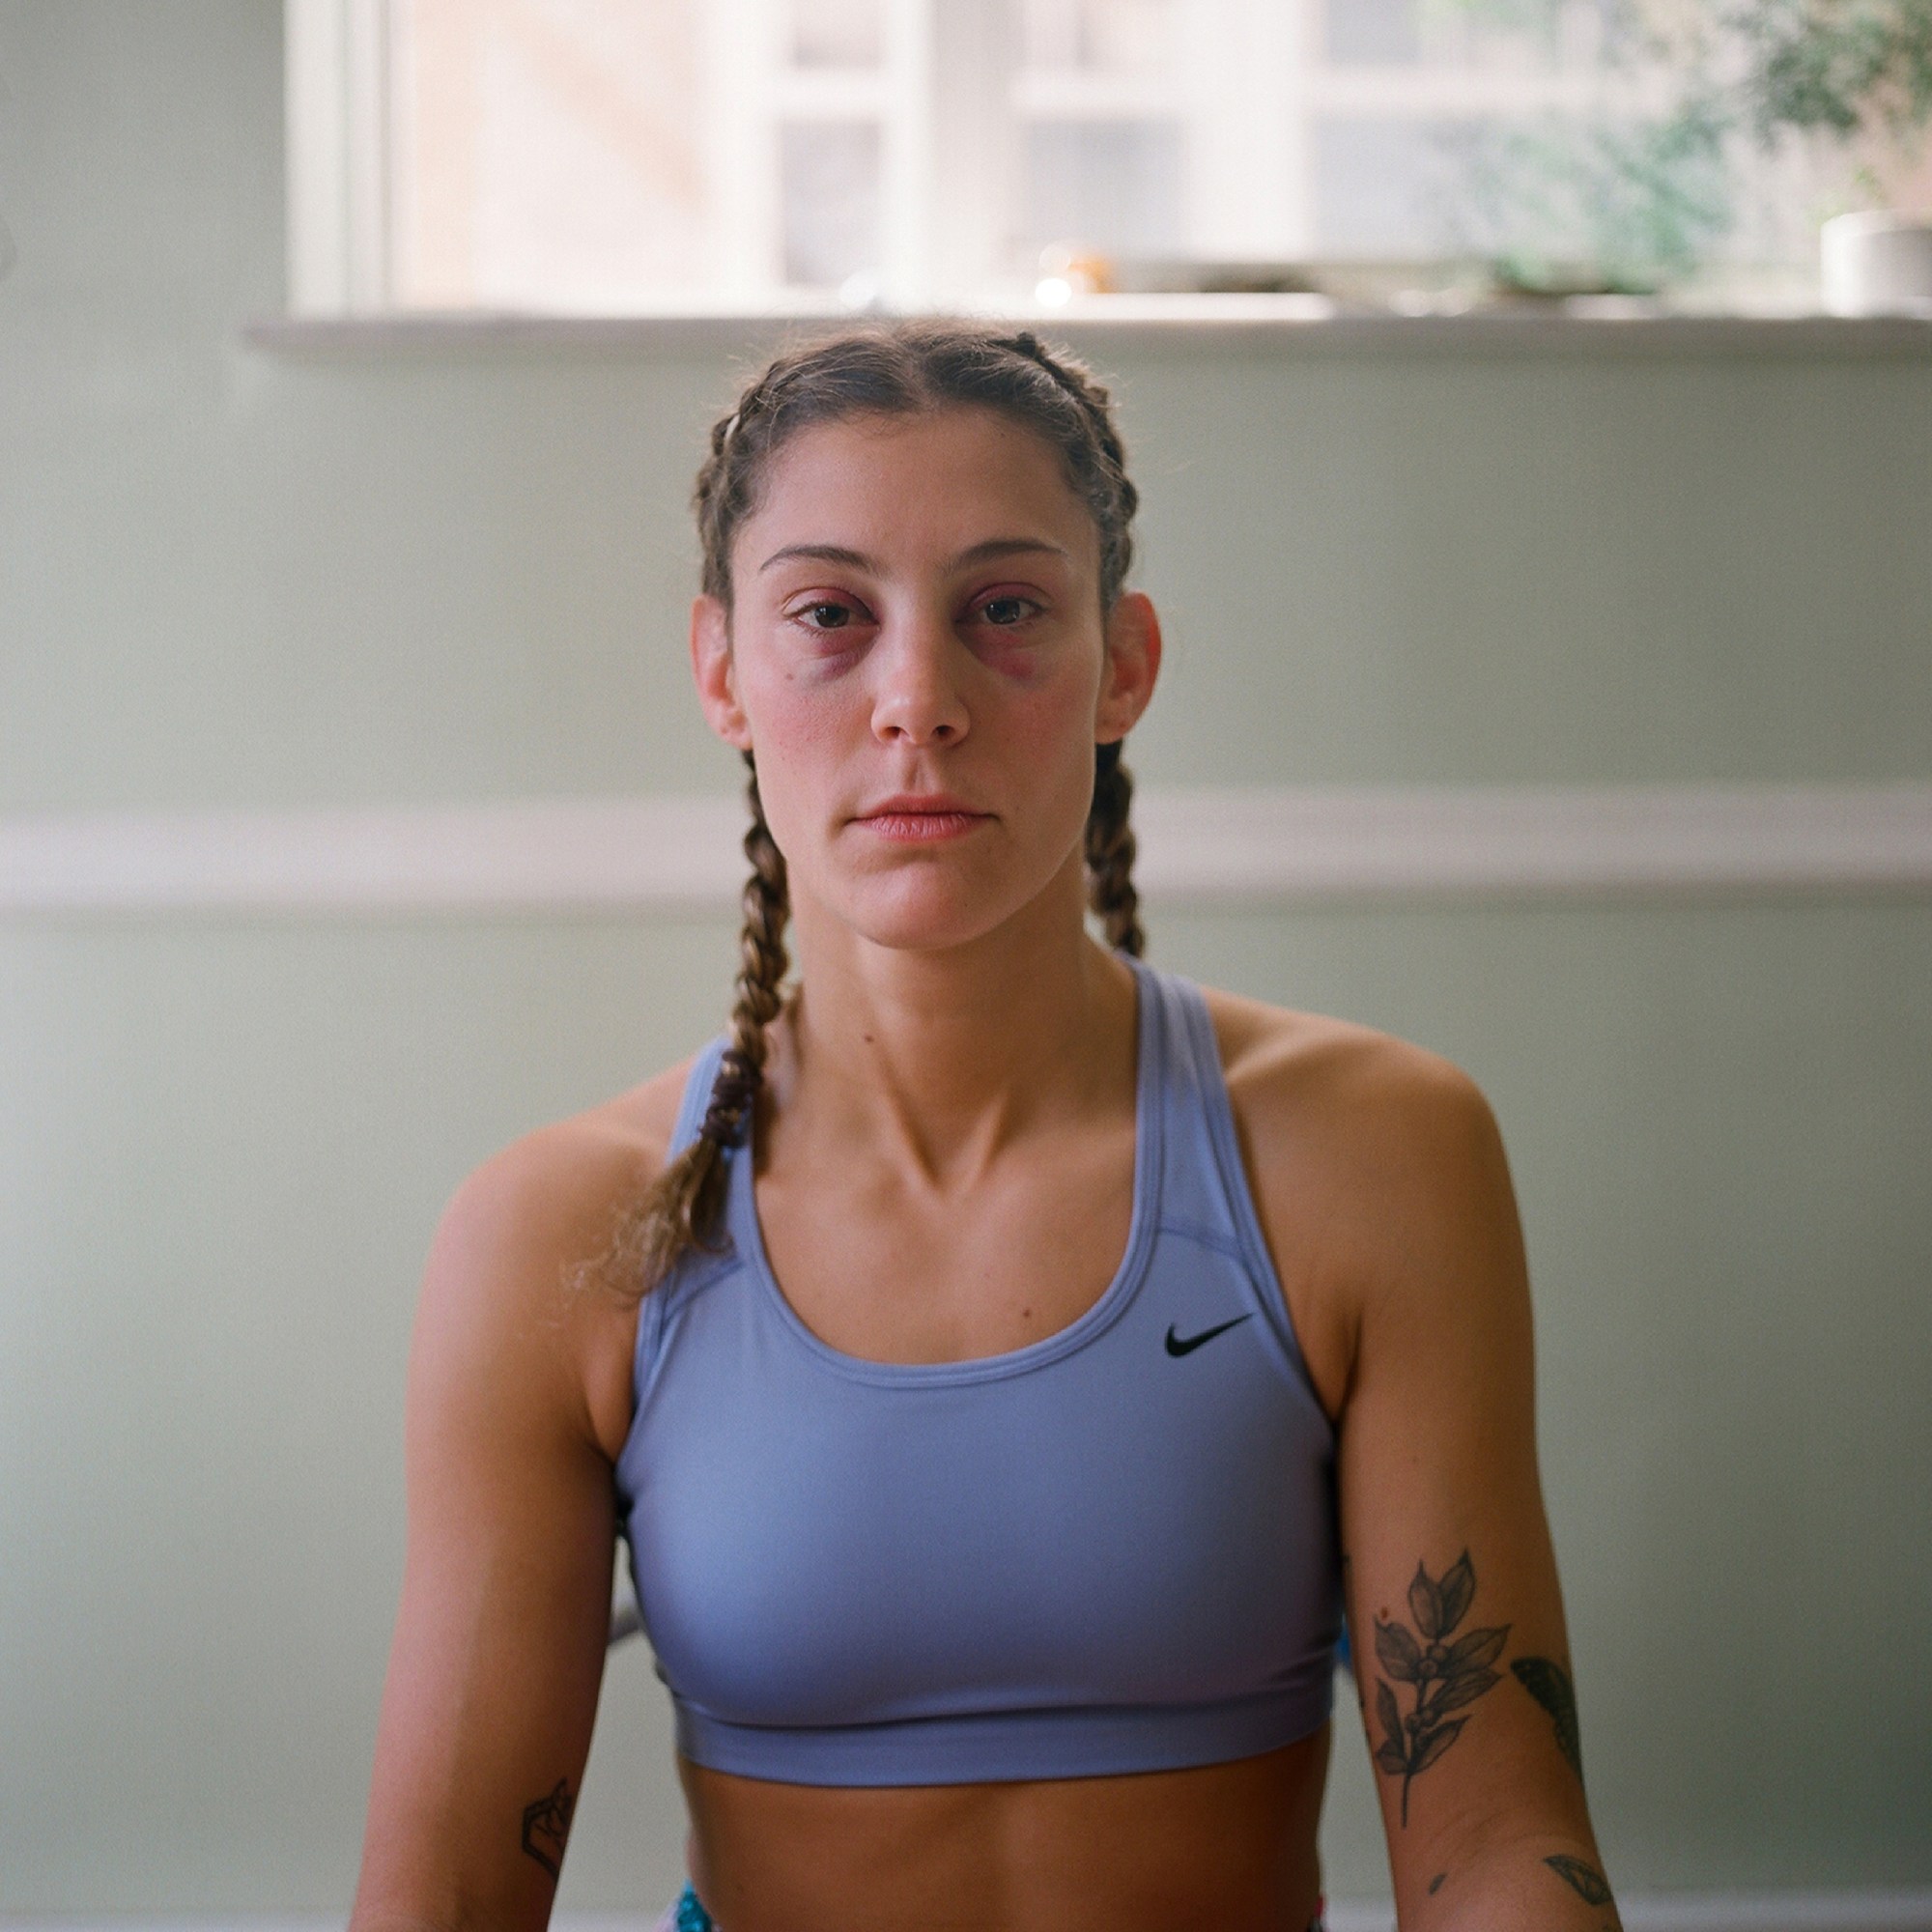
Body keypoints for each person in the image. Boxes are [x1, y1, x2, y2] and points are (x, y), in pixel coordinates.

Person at [348, 323, 1618, 1932]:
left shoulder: (1376, 1158)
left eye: (1005, 609)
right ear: (723, 669)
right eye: (829, 616)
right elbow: (444, 1899)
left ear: (1127, 662)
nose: (919, 702)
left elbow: (1499, 1840)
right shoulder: (556, 1238)